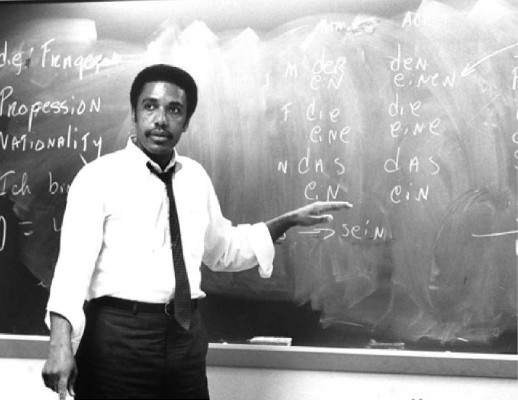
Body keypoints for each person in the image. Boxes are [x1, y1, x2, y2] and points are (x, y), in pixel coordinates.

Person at [41, 64, 352, 399]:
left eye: (174, 109)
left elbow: (222, 250)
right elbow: (71, 270)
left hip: (184, 336)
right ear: (134, 114)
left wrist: (286, 220)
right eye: (150, 106)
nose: (160, 119)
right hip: (118, 335)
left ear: (186, 121)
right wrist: (60, 346)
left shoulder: (195, 178)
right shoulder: (98, 177)